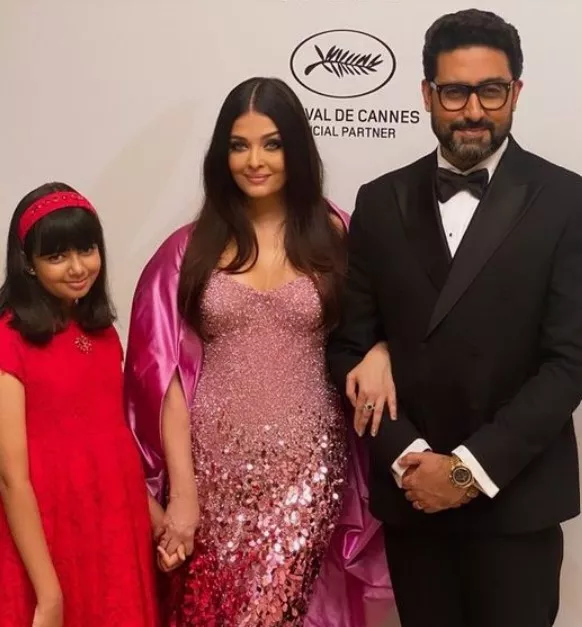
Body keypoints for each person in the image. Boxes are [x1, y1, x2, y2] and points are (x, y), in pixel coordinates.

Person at [327, 9, 582, 627]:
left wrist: (467, 471)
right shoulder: (379, 201)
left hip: (515, 500)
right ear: (426, 94)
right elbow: (348, 348)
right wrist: (410, 456)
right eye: (455, 92)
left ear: (516, 91)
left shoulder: (567, 200)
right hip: (414, 496)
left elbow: (570, 362)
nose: (473, 110)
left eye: (490, 90)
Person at [124, 77, 393, 626]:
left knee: (274, 613)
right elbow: (163, 381)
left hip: (307, 472)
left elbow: (386, 320)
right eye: (239, 145)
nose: (255, 161)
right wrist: (183, 494)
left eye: (272, 144)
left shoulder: (338, 235)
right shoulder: (187, 250)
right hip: (212, 475)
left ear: (297, 149)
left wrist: (383, 350)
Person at [0, 183, 159, 627]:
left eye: (86, 250)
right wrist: (48, 593)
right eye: (56, 256)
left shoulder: (103, 334)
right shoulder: (9, 340)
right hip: (51, 532)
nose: (77, 268)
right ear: (28, 264)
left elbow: (111, 439)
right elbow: (11, 479)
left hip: (114, 526)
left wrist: (155, 518)